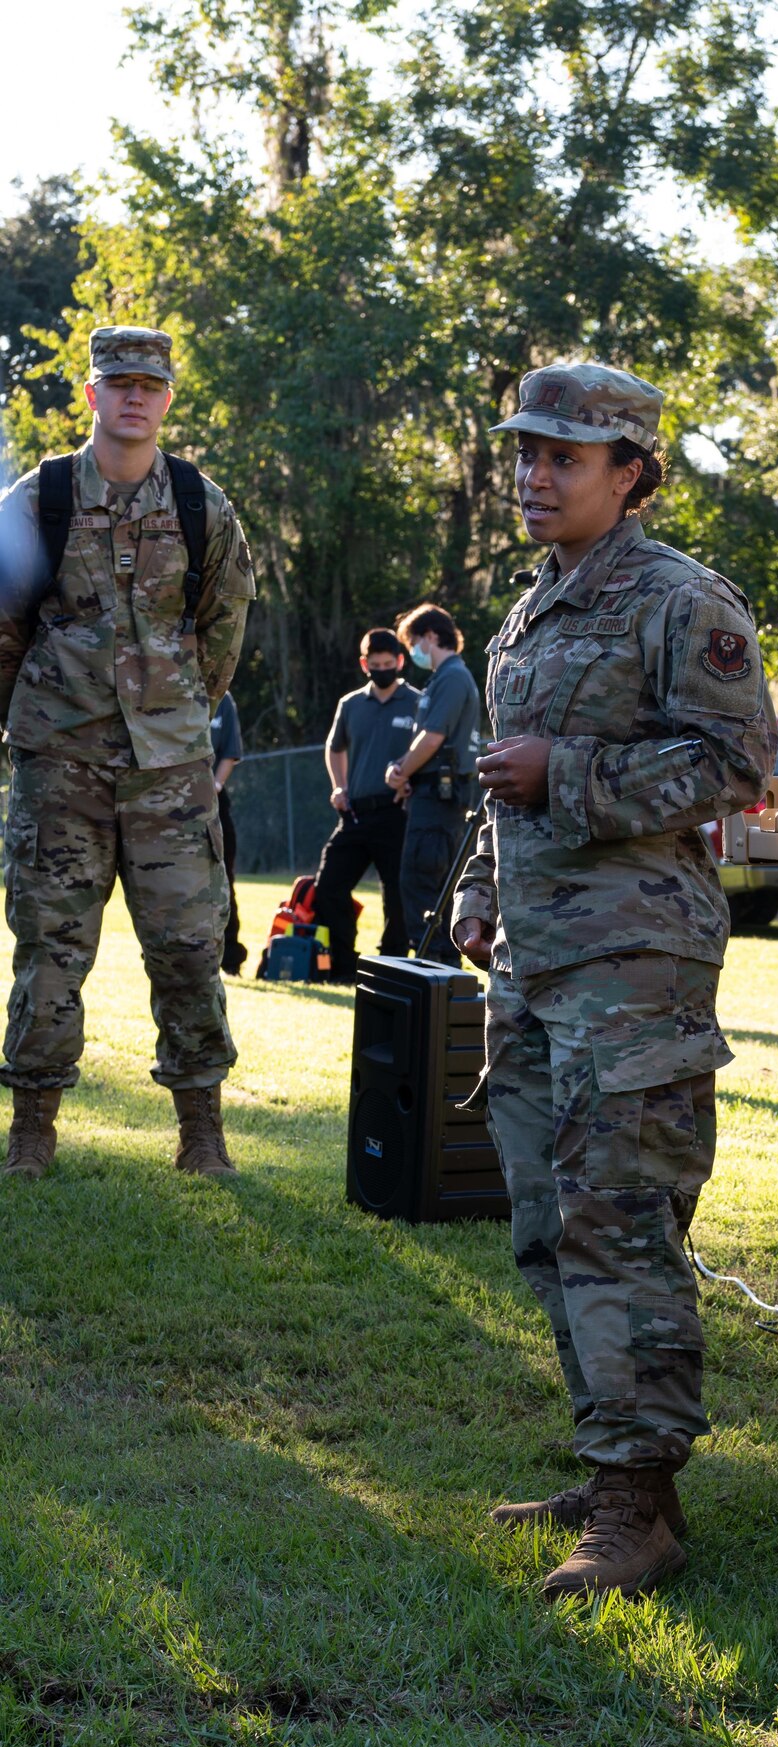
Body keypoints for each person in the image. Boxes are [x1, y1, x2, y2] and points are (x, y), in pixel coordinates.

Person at [452, 361, 778, 1601]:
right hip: (536, 963)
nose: (534, 475)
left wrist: (571, 773)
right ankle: (610, 1465)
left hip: (633, 968)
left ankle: (640, 1506)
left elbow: (737, 760)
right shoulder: (534, 607)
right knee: (546, 1223)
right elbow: (502, 775)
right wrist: (481, 892)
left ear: (630, 472)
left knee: (620, 1222)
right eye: (526, 454)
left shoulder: (677, 600)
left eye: (564, 457)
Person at [0, 325, 254, 1179]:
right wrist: (31, 730)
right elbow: (1, 634)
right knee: (49, 946)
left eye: (150, 383)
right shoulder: (36, 502)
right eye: (119, 382)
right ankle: (32, 1130)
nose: (134, 396)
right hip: (57, 766)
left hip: (170, 775)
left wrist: (177, 714)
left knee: (188, 945)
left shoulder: (199, 504)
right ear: (91, 394)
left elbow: (224, 627)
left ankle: (202, 1132)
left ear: (168, 397)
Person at [312, 628, 416, 980]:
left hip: (397, 813)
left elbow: (432, 747)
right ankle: (342, 965)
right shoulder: (351, 704)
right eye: (376, 664)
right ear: (364, 664)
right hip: (355, 812)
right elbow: (334, 747)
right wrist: (338, 787)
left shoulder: (418, 702)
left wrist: (411, 781)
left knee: (397, 894)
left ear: (400, 662)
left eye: (389, 663)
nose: (383, 669)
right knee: (328, 886)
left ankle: (393, 965)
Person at [386, 603, 479, 964]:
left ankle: (437, 967)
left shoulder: (452, 676)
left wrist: (401, 771)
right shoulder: (443, 678)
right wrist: (410, 773)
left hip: (441, 800)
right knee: (423, 882)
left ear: (429, 636)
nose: (413, 652)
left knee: (423, 882)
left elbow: (432, 738)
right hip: (431, 792)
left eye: (412, 642)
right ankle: (434, 965)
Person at [210, 688, 246, 974]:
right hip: (168, 802)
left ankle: (231, 957)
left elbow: (230, 752)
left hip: (213, 800)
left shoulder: (223, 699)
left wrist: (215, 786)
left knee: (223, 878)